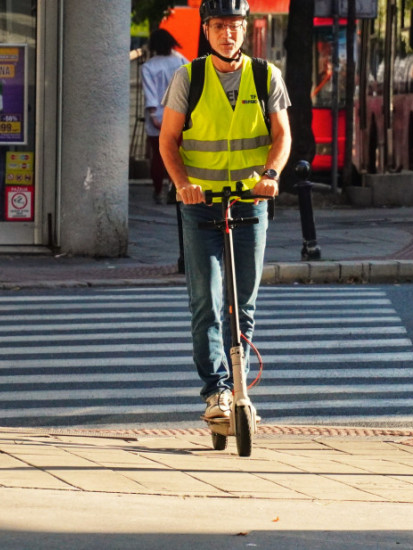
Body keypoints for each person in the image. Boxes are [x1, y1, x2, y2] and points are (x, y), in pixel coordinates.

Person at [158, 0, 291, 420]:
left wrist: (271, 174)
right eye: (219, 26)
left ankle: (239, 388)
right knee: (207, 302)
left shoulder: (265, 75)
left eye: (234, 25)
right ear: (206, 29)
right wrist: (183, 185)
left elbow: (282, 135)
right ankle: (216, 391)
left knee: (243, 304)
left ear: (245, 28)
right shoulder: (189, 77)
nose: (227, 33)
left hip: (251, 203)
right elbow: (168, 140)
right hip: (201, 206)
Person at [141, 29, 188, 204]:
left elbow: (150, 93)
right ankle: (174, 188)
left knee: (159, 157)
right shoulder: (182, 62)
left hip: (158, 118)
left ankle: (158, 190)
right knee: (177, 155)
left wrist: (154, 115)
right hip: (179, 115)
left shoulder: (148, 67)